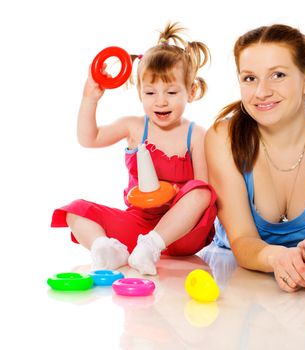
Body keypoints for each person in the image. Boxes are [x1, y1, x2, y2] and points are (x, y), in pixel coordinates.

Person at [205, 24, 305, 293]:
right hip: (238, 278)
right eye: (249, 78)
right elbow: (243, 239)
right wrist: (278, 258)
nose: (261, 92)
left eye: (277, 75)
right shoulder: (222, 138)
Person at [51, 23, 217, 275]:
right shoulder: (134, 127)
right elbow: (90, 138)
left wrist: (175, 192)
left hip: (182, 234)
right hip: (139, 224)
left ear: (191, 92)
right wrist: (90, 98)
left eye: (171, 92)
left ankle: (153, 245)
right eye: (150, 92)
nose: (160, 100)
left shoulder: (197, 135)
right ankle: (106, 250)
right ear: (139, 92)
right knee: (75, 211)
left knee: (201, 192)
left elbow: (202, 187)